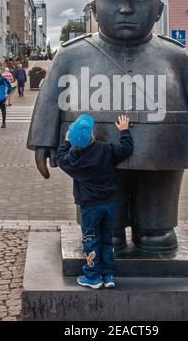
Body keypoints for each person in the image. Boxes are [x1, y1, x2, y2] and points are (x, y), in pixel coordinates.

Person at [27, 0, 188, 254]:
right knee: (107, 226)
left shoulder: (175, 57)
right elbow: (51, 97)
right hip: (97, 148)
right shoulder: (71, 55)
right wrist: (43, 139)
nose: (126, 8)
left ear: (158, 10)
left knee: (157, 230)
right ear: (94, 7)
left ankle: (155, 229)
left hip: (162, 149)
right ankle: (109, 233)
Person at [56, 114, 134, 289]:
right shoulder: (106, 149)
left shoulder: (72, 160)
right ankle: (108, 275)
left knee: (91, 240)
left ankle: (92, 276)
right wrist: (124, 131)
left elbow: (59, 159)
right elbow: (126, 149)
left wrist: (66, 142)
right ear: (92, 136)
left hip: (89, 207)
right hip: (108, 203)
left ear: (74, 142)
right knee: (107, 238)